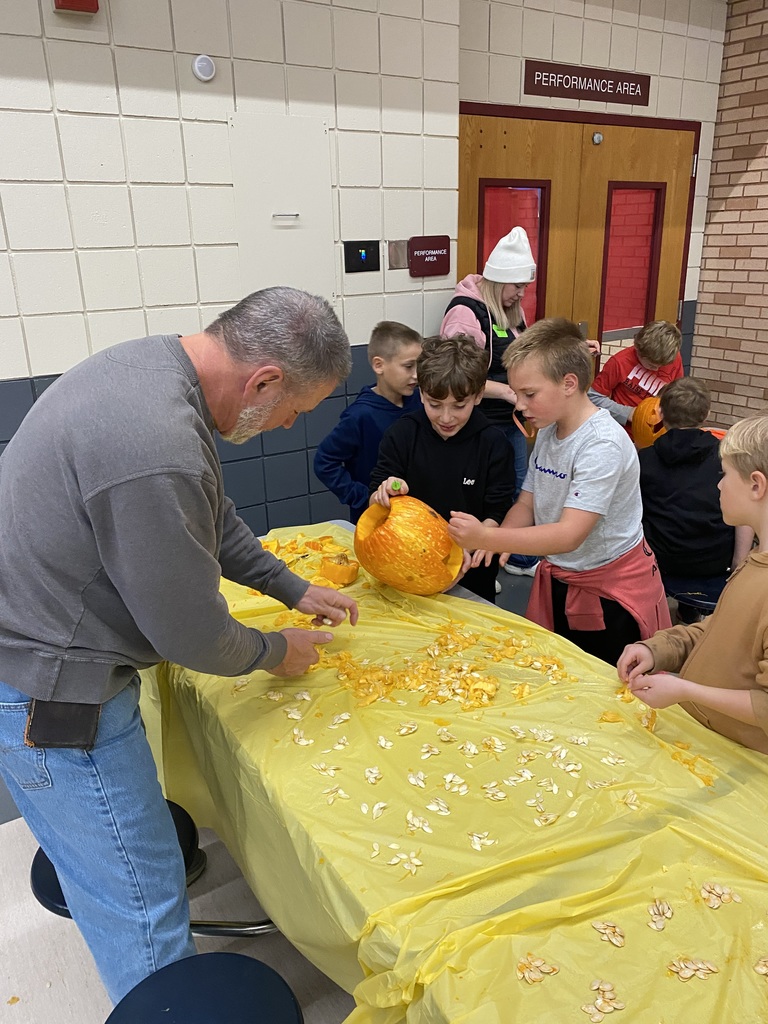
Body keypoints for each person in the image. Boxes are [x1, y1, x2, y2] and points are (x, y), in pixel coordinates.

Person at [0, 287, 359, 1005]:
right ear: (263, 382)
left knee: (137, 865)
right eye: (294, 410)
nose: (290, 424)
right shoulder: (153, 441)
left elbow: (211, 515)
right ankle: (163, 998)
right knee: (141, 898)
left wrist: (290, 587)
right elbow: (188, 631)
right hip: (60, 698)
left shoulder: (160, 373)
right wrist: (273, 652)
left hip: (56, 660)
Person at [447, 318, 670, 666]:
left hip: (610, 594)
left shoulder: (601, 445)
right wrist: (499, 533)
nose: (518, 404)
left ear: (569, 384)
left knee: (605, 686)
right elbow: (528, 502)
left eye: (529, 394)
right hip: (565, 577)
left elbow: (568, 535)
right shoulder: (551, 430)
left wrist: (489, 539)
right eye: (517, 393)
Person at [619, 414, 768, 755]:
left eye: (725, 475)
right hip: (702, 736)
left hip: (738, 764)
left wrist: (686, 690)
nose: (718, 485)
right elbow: (718, 632)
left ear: (756, 485)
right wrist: (658, 649)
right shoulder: (753, 562)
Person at [369, 334, 515, 603]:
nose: (446, 418)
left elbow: (499, 507)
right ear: (422, 393)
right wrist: (384, 492)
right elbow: (377, 494)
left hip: (472, 572)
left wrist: (484, 536)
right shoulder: (401, 435)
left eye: (459, 406)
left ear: (479, 395)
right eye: (435, 405)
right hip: (406, 566)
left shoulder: (494, 444)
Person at [440, 226, 540, 577]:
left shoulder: (511, 314)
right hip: (482, 422)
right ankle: (496, 561)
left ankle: (511, 554)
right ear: (499, 281)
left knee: (518, 488)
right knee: (492, 495)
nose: (522, 294)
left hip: (508, 422)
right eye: (517, 287)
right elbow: (460, 375)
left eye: (525, 287)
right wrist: (508, 393)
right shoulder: (466, 313)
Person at [638, 377, 753, 620]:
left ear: (660, 413)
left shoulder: (644, 459)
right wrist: (738, 565)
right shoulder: (727, 459)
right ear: (706, 413)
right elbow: (744, 515)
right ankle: (690, 612)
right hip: (713, 562)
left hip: (659, 560)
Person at [313, 320, 423, 523]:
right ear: (379, 365)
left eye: (419, 365)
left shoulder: (419, 402)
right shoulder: (360, 415)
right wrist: (364, 497)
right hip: (376, 521)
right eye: (408, 366)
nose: (416, 375)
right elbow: (324, 462)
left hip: (415, 516)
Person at [589, 320, 683, 440]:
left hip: (663, 435)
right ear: (639, 351)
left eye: (661, 365)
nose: (656, 369)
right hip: (628, 436)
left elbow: (678, 393)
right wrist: (628, 413)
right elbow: (593, 397)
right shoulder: (620, 362)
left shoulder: (673, 357)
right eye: (651, 365)